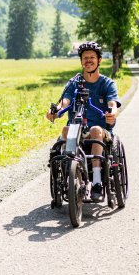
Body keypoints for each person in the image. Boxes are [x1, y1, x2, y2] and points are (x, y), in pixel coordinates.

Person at [46, 41, 120, 202]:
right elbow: (65, 100)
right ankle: (69, 175)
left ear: (99, 60)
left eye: (92, 57)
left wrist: (112, 113)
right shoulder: (74, 83)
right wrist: (56, 111)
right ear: (81, 61)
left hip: (100, 133)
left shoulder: (107, 83)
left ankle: (97, 183)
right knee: (66, 130)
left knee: (95, 130)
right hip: (76, 130)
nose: (88, 60)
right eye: (85, 58)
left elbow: (112, 103)